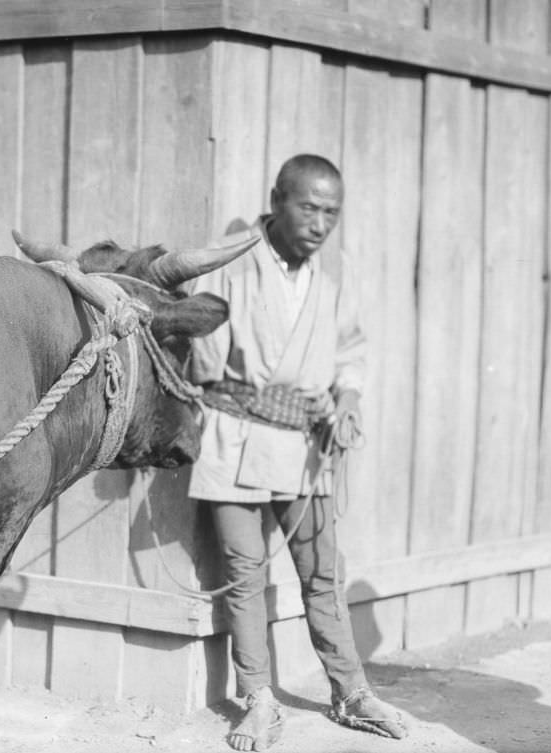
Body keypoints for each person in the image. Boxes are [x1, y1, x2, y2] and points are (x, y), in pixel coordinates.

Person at [186, 154, 408, 750]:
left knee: (322, 575)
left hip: (307, 451)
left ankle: (350, 692)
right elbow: (205, 364)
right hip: (233, 442)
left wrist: (348, 401)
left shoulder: (333, 278)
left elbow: (349, 354)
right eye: (308, 207)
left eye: (331, 212)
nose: (319, 223)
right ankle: (258, 699)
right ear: (277, 200)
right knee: (244, 575)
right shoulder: (230, 266)